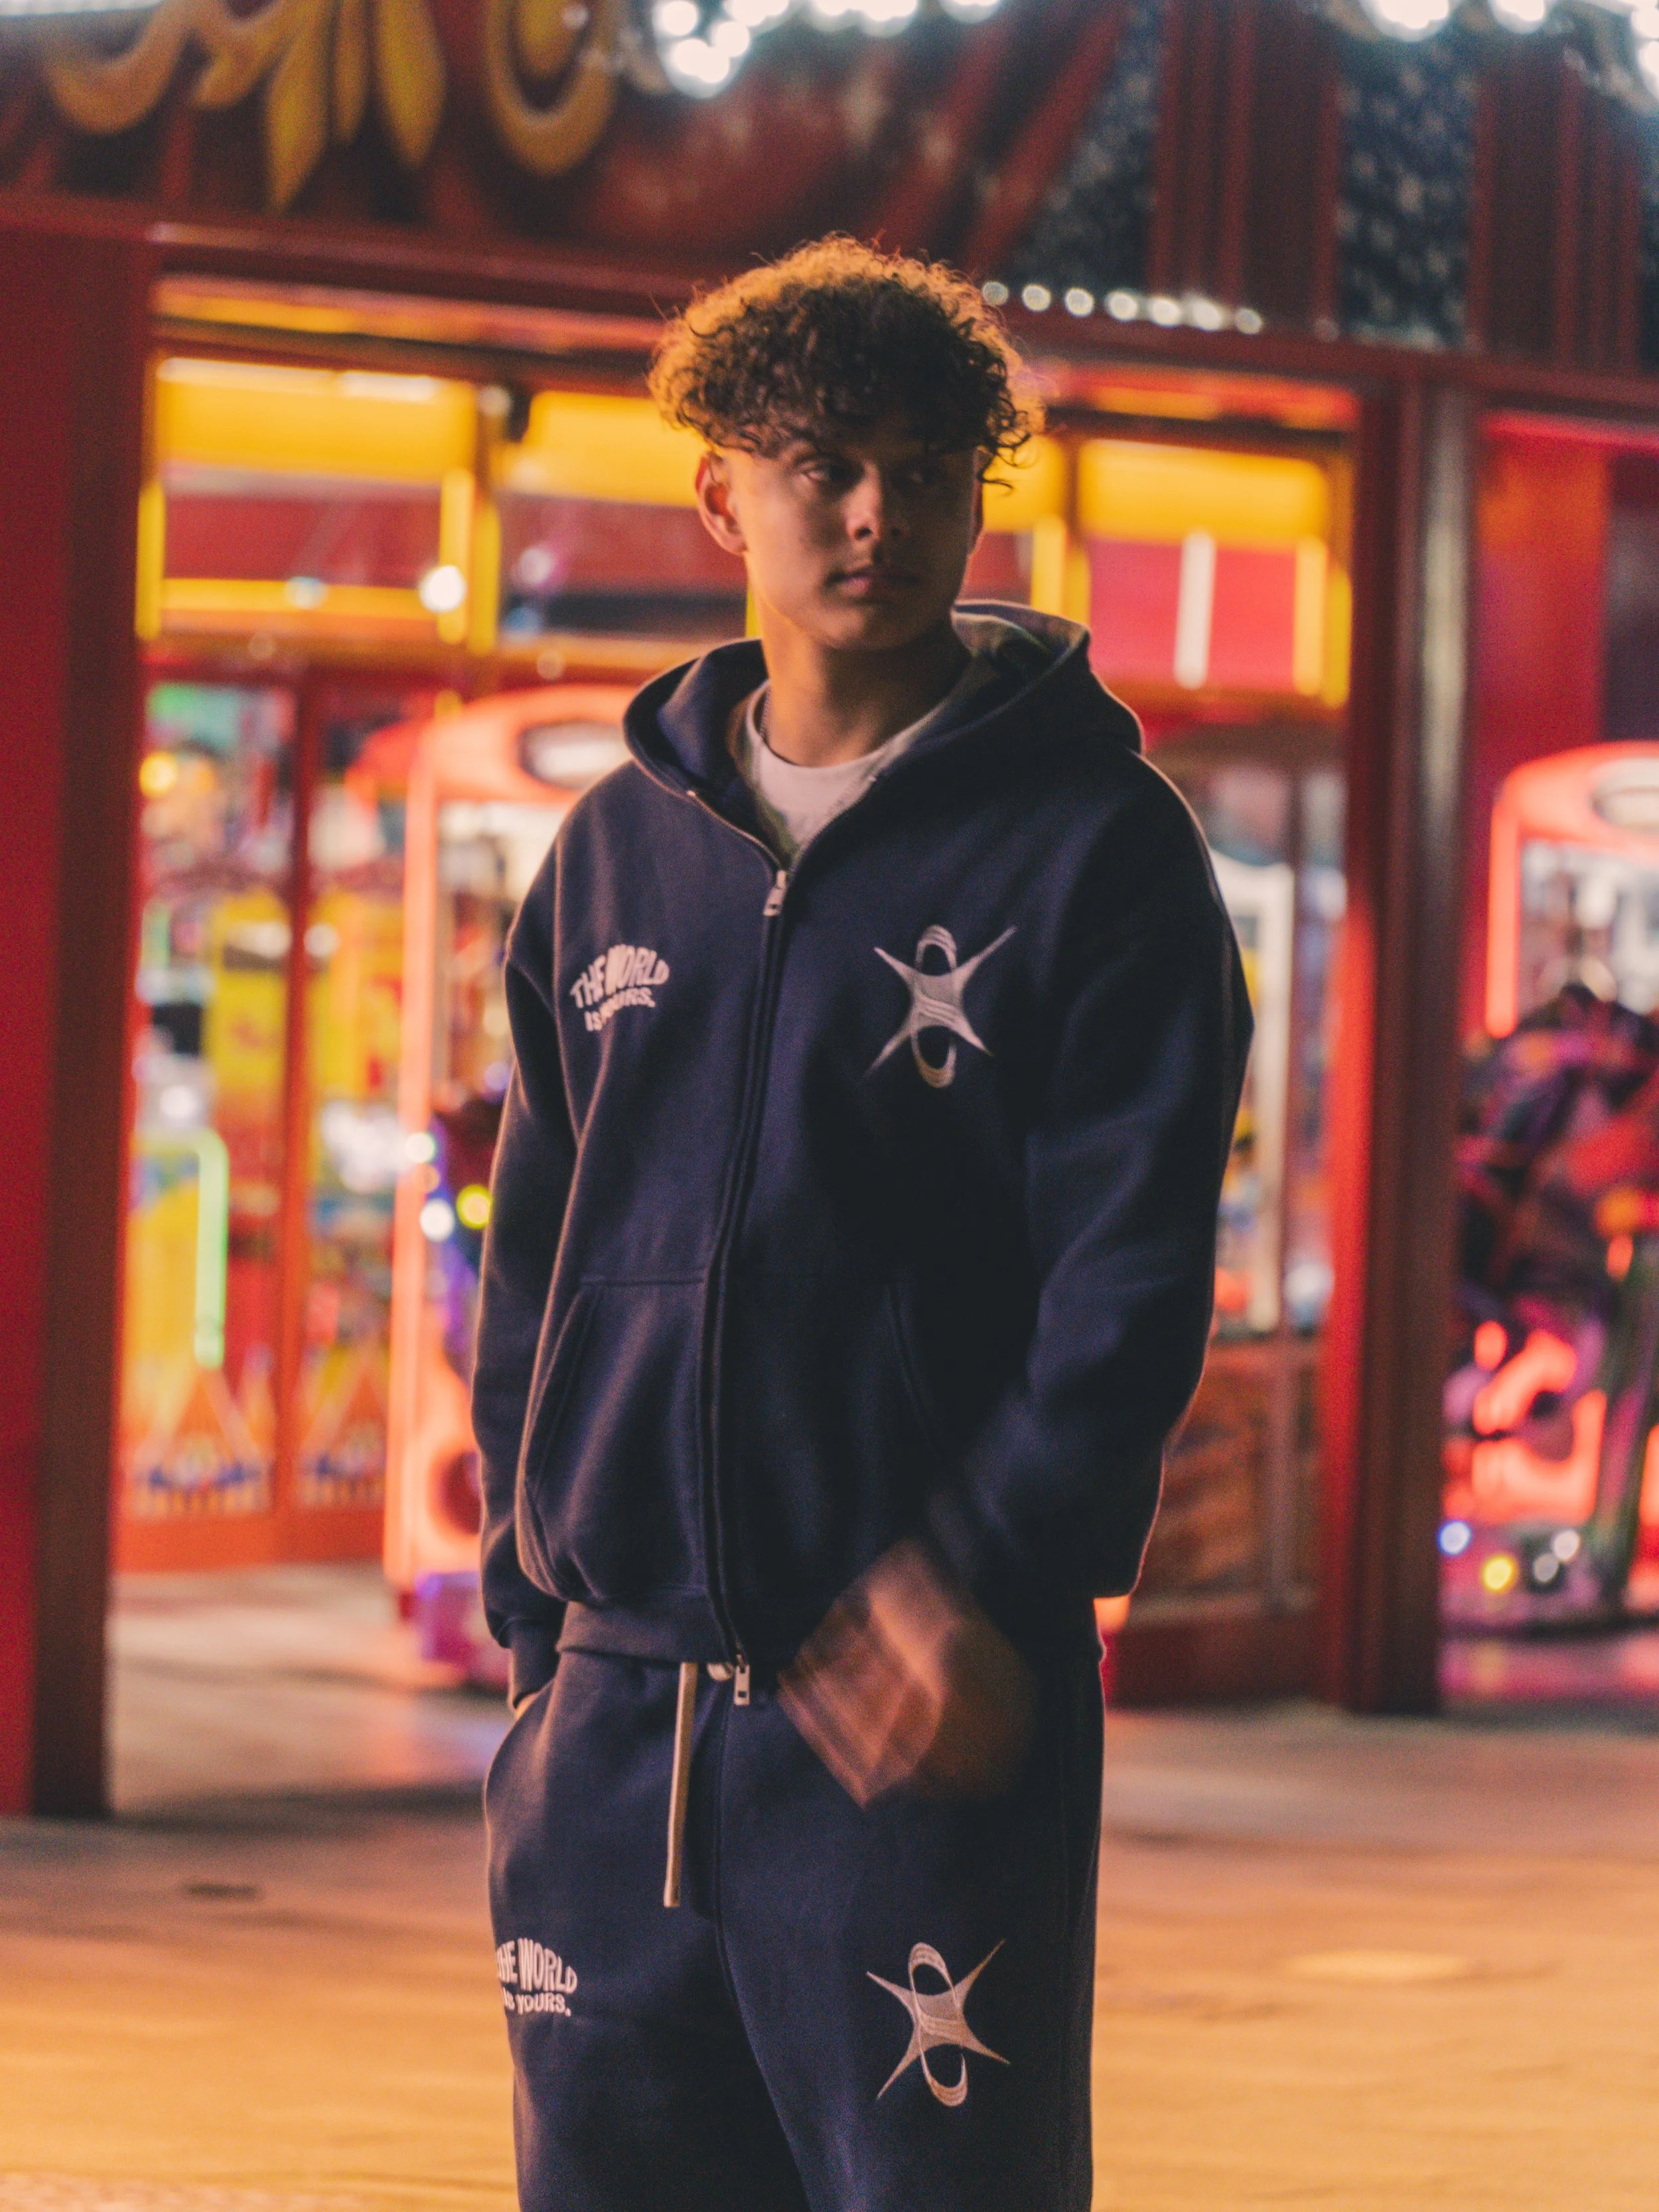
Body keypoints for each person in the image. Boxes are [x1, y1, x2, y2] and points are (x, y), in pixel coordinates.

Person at [475, 236, 1251, 2212]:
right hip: (614, 1718)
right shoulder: (612, 849)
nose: (878, 513)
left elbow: (1133, 1267)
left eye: (925, 463)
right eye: (823, 461)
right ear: (721, 491)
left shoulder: (1091, 846)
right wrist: (531, 1626)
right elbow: (540, 1248)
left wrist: (983, 1569)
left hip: (909, 1704)